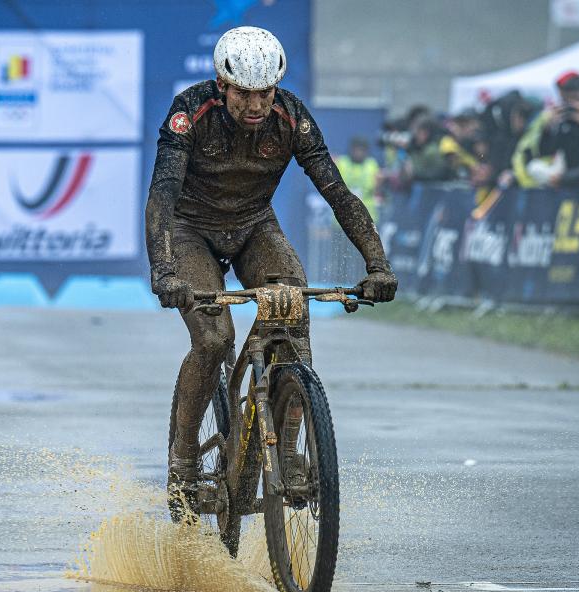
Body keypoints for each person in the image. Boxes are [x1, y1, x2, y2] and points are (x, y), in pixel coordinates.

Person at [144, 26, 397, 520]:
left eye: (266, 93)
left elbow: (338, 194)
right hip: (190, 227)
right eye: (245, 94)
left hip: (254, 225)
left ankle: (290, 449)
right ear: (222, 83)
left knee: (293, 310)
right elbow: (163, 197)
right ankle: (183, 460)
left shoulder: (293, 118)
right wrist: (165, 269)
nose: (257, 105)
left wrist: (377, 263)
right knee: (214, 339)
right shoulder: (189, 111)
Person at [336, 136, 380, 221]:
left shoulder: (372, 165)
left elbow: (377, 189)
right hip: (343, 216)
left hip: (367, 217)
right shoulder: (341, 163)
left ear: (366, 151)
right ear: (351, 149)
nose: (358, 152)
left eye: (362, 150)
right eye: (356, 149)